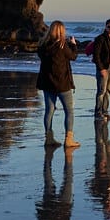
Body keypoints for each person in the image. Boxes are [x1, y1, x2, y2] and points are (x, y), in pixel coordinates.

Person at [36, 20, 80, 148]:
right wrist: (73, 44)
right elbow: (73, 56)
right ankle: (68, 139)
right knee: (69, 111)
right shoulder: (62, 46)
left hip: (47, 82)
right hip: (62, 83)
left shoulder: (43, 46)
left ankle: (48, 137)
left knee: (49, 110)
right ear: (61, 31)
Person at [90, 18, 110, 119]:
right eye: (109, 27)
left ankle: (105, 111)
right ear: (105, 27)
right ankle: (98, 112)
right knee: (101, 90)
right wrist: (101, 69)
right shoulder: (100, 38)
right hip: (103, 68)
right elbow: (96, 55)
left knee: (109, 91)